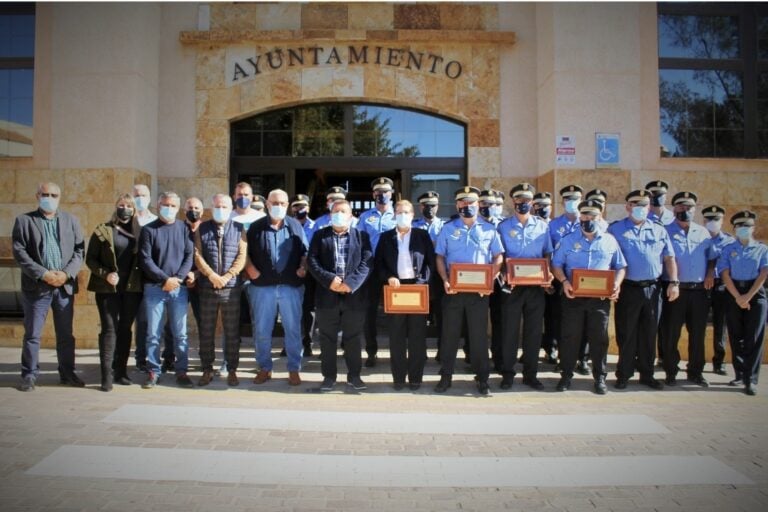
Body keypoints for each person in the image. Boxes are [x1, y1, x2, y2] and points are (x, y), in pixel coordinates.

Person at [13, 182, 85, 391]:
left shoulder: (71, 221)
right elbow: (20, 253)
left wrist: (65, 274)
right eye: (45, 194)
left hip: (63, 287)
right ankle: (29, 375)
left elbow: (79, 251)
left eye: (54, 195)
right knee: (33, 334)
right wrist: (43, 274)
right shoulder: (24, 221)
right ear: (37, 196)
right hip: (37, 287)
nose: (49, 198)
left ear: (60, 197)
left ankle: (67, 373)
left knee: (65, 334)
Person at [551, 199, 626, 394]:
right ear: (580, 216)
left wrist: (616, 284)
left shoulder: (610, 240)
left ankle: (600, 378)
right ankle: (566, 376)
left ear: (599, 216)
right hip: (573, 297)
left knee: (599, 339)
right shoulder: (568, 240)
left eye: (592, 215)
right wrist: (565, 282)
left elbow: (620, 266)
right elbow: (556, 264)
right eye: (584, 215)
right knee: (570, 337)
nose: (588, 219)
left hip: (599, 300)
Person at [434, 186, 504, 395]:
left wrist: (490, 280)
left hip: (478, 295)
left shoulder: (489, 230)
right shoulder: (448, 229)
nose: (467, 206)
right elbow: (440, 256)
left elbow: (498, 256)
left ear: (478, 204)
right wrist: (445, 279)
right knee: (450, 336)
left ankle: (482, 379)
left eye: (471, 202)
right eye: (463, 202)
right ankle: (445, 377)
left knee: (479, 338)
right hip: (453, 293)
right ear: (457, 205)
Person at [608, 189, 678, 390]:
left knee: (649, 332)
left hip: (653, 288)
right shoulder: (616, 230)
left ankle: (647, 374)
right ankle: (624, 374)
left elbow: (669, 258)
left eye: (644, 204)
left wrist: (674, 282)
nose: (639, 208)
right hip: (628, 288)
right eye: (635, 204)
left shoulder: (659, 229)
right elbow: (608, 259)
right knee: (626, 332)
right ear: (627, 206)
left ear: (649, 206)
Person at [307, 200, 373, 392]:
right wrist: (330, 280)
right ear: (330, 214)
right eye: (336, 211)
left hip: (354, 297)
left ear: (351, 215)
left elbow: (367, 262)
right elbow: (312, 261)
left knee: (353, 338)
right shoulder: (320, 236)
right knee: (327, 339)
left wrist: (349, 284)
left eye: (343, 211)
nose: (339, 214)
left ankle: (354, 376)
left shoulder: (362, 236)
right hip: (327, 296)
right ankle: (328, 377)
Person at [245, 189, 308, 386]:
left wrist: (303, 267)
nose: (278, 206)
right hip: (262, 287)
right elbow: (243, 252)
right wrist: (250, 269)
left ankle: (293, 369)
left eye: (282, 203)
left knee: (293, 330)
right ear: (267, 204)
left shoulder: (295, 225)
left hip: (290, 287)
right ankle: (264, 368)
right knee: (262, 330)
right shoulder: (255, 227)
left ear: (287, 205)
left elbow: (305, 251)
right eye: (275, 203)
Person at [496, 183, 553, 390]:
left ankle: (530, 374)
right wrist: (503, 272)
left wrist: (548, 274)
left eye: (527, 200)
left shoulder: (542, 226)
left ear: (532, 202)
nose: (523, 203)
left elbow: (547, 253)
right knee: (510, 332)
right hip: (512, 287)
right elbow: (500, 256)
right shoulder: (503, 227)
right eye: (519, 200)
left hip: (536, 287)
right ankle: (508, 373)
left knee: (534, 332)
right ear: (513, 202)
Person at [374, 199, 435, 390]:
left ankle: (416, 378)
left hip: (417, 288)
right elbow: (379, 264)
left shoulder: (422, 235)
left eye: (406, 212)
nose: (403, 215)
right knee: (397, 337)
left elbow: (430, 264)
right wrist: (389, 277)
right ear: (394, 215)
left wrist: (421, 283)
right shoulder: (385, 238)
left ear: (413, 215)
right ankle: (399, 378)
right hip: (395, 289)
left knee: (417, 337)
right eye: (399, 212)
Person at [85, 194, 143, 391]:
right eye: (121, 205)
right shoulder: (103, 230)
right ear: (115, 207)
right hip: (107, 289)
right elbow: (90, 259)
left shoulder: (140, 232)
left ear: (134, 210)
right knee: (109, 329)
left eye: (128, 206)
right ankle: (106, 375)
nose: (124, 208)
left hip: (131, 289)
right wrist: (105, 274)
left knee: (125, 329)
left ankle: (121, 372)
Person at [138, 191, 194, 389]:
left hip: (178, 289)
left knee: (181, 334)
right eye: (165, 205)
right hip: (155, 288)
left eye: (172, 206)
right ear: (158, 205)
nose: (168, 209)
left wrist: (177, 278)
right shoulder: (148, 230)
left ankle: (182, 371)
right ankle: (154, 371)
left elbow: (189, 256)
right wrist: (165, 279)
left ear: (178, 208)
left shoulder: (184, 228)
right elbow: (145, 259)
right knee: (153, 334)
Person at [660, 192, 716, 388]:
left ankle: (695, 371)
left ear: (695, 209)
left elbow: (712, 257)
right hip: (675, 290)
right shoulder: (665, 231)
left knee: (698, 333)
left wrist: (710, 273)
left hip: (699, 291)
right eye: (681, 207)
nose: (685, 211)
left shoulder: (703, 232)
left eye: (689, 207)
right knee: (671, 333)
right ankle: (670, 371)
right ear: (674, 209)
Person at [193, 193, 246, 386]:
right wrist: (212, 276)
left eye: (224, 207)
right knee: (206, 330)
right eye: (217, 206)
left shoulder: (239, 228)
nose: (220, 210)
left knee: (232, 331)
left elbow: (242, 256)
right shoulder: (202, 228)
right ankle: (207, 368)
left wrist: (228, 276)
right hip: (208, 287)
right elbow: (197, 255)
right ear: (211, 207)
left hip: (230, 289)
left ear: (231, 208)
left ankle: (232, 369)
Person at [718, 210, 768, 396]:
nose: (743, 229)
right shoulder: (728, 249)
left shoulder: (762, 249)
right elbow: (724, 273)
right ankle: (739, 374)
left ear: (753, 228)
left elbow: (763, 274)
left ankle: (751, 379)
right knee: (735, 335)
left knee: (754, 337)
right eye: (739, 226)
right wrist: (738, 297)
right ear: (734, 229)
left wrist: (747, 297)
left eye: (747, 225)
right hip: (733, 292)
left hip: (755, 294)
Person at [358, 177, 397, 368]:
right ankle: (371, 352)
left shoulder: (399, 215)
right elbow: (360, 242)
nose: (382, 195)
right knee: (370, 313)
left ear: (392, 194)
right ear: (374, 194)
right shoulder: (365, 217)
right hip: (371, 270)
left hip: (392, 271)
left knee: (395, 312)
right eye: (378, 192)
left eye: (386, 191)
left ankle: (396, 351)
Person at [549, 185, 584, 373]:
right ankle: (564, 360)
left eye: (576, 198)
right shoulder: (553, 225)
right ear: (562, 202)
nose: (572, 202)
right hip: (561, 280)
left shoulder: (592, 222)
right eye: (568, 199)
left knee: (587, 324)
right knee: (563, 321)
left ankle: (583, 358)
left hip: (589, 283)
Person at [702, 205, 735, 376]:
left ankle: (719, 361)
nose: (712, 222)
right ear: (703, 220)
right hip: (700, 287)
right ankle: (697, 361)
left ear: (722, 221)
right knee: (697, 325)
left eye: (716, 219)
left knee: (720, 325)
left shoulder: (730, 241)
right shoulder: (698, 238)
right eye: (709, 219)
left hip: (721, 286)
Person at [291, 194, 317, 357]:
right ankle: (290, 344)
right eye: (296, 206)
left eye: (303, 206)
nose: (300, 209)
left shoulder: (316, 226)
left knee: (308, 310)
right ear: (291, 208)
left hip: (310, 274)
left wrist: (306, 267)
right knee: (289, 310)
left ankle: (307, 343)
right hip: (290, 274)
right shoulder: (286, 225)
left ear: (308, 208)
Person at [534, 191, 558, 365]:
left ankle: (552, 348)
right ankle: (531, 350)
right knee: (534, 318)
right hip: (530, 280)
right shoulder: (533, 226)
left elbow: (549, 253)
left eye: (546, 205)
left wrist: (548, 276)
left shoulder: (556, 226)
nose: (542, 209)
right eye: (538, 205)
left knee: (553, 316)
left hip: (554, 278)